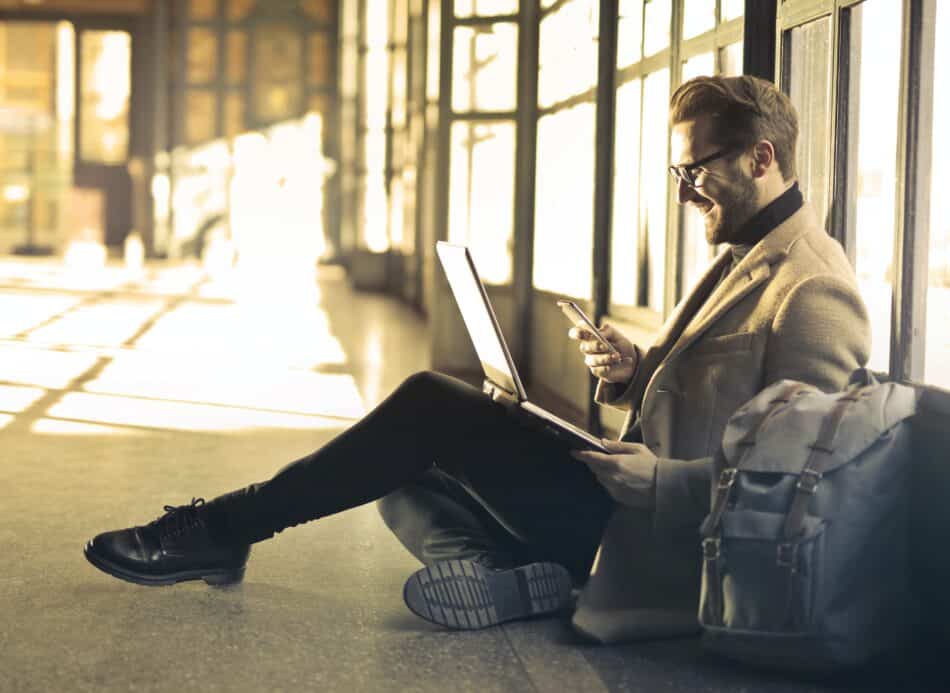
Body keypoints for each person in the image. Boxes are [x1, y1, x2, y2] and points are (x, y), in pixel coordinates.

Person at [84, 75, 869, 634]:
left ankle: (225, 527)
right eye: (677, 171)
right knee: (396, 470)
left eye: (695, 171)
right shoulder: (744, 250)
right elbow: (717, 402)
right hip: (619, 501)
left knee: (427, 405)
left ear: (761, 158)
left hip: (657, 536)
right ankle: (514, 575)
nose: (683, 192)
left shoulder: (813, 290)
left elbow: (802, 488)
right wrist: (637, 372)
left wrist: (662, 482)